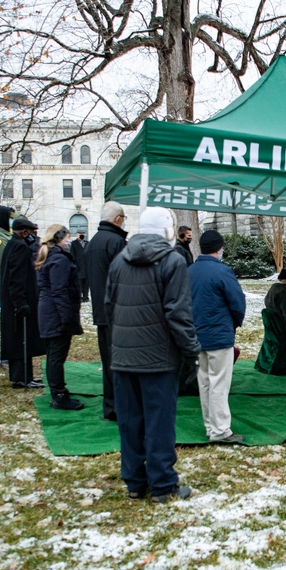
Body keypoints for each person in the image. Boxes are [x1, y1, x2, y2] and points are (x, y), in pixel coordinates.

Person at [105, 206, 200, 503]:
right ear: (166, 230)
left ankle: (134, 482)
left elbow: (109, 305)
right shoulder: (172, 262)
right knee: (159, 422)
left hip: (123, 357)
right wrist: (191, 351)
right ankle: (162, 484)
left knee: (130, 420)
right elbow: (178, 313)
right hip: (159, 360)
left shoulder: (119, 261)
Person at [188, 230, 246, 444]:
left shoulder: (190, 271)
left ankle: (210, 427)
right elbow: (237, 303)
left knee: (204, 383)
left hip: (196, 336)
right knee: (219, 383)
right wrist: (235, 324)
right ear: (219, 248)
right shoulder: (222, 272)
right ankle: (220, 430)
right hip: (219, 336)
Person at [84, 201, 129, 421]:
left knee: (108, 360)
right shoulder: (117, 242)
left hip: (101, 311)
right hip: (118, 311)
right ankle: (119, 407)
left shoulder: (93, 242)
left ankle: (111, 405)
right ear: (118, 219)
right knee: (119, 362)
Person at [37, 225, 85, 410]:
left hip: (50, 313)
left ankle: (57, 392)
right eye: (66, 238)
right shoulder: (59, 260)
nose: (69, 242)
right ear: (58, 239)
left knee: (53, 355)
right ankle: (59, 395)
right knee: (57, 356)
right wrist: (66, 319)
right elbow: (59, 291)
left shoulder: (51, 257)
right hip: (56, 315)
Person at [0, 216, 44, 389]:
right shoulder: (20, 247)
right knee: (21, 340)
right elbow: (17, 277)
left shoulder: (13, 245)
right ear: (24, 231)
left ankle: (24, 376)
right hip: (19, 302)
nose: (33, 234)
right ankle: (21, 378)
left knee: (19, 339)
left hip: (15, 301)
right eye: (31, 231)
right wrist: (21, 302)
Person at [70, 231, 89, 302]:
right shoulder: (74, 243)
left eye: (82, 234)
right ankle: (79, 296)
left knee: (86, 283)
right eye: (80, 234)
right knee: (79, 283)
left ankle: (85, 296)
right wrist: (75, 265)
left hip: (86, 266)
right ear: (77, 235)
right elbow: (72, 255)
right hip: (78, 266)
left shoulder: (87, 243)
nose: (81, 235)